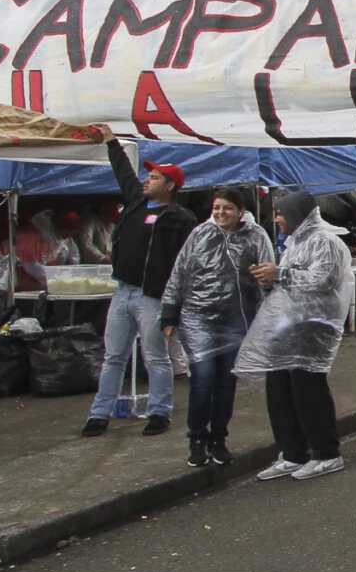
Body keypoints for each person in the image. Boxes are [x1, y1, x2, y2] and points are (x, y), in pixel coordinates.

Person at [84, 142, 197, 439]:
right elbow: (123, 172)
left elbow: (186, 263)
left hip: (152, 297)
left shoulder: (181, 219)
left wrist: (175, 302)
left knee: (156, 356)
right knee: (113, 356)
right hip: (123, 292)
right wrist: (111, 142)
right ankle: (99, 414)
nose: (147, 180)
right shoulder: (135, 203)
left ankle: (159, 412)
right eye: (147, 177)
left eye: (155, 178)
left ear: (171, 186)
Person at [157, 188, 275, 469]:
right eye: (217, 208)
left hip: (236, 319)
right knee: (203, 379)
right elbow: (180, 272)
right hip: (198, 318)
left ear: (241, 211)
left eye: (228, 208)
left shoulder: (255, 235)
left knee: (225, 383)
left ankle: (218, 438)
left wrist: (267, 299)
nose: (221, 213)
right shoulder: (200, 234)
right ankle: (197, 438)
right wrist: (170, 314)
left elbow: (269, 273)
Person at [244, 189, 353, 482]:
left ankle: (326, 453)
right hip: (288, 326)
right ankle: (293, 452)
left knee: (308, 391)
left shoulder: (324, 241)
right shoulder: (294, 243)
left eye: (280, 213)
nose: (276, 219)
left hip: (312, 328)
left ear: (296, 215)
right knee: (280, 390)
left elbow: (324, 280)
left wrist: (279, 274)